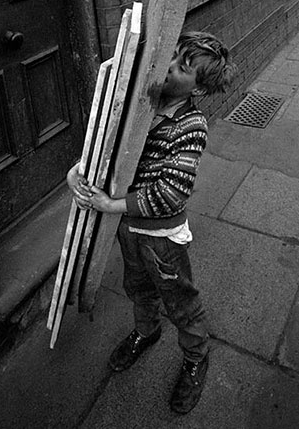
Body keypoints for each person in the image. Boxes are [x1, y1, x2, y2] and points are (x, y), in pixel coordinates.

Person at [67, 30, 236, 414]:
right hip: (129, 229)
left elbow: (171, 194)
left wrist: (110, 205)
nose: (170, 67)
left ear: (199, 89)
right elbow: (106, 151)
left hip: (162, 238)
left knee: (180, 301)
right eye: (174, 57)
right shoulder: (140, 106)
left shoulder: (190, 126)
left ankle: (196, 357)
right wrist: (78, 173)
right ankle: (147, 331)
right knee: (138, 288)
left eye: (183, 68)